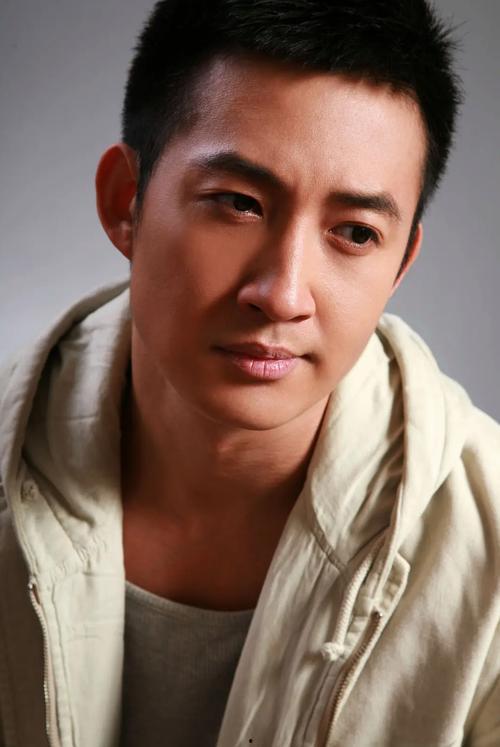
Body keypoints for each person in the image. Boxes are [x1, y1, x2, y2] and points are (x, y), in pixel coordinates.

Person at [0, 0, 499, 745]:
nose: (283, 293)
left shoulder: (488, 550)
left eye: (355, 233)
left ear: (400, 264)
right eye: (238, 204)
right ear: (125, 203)